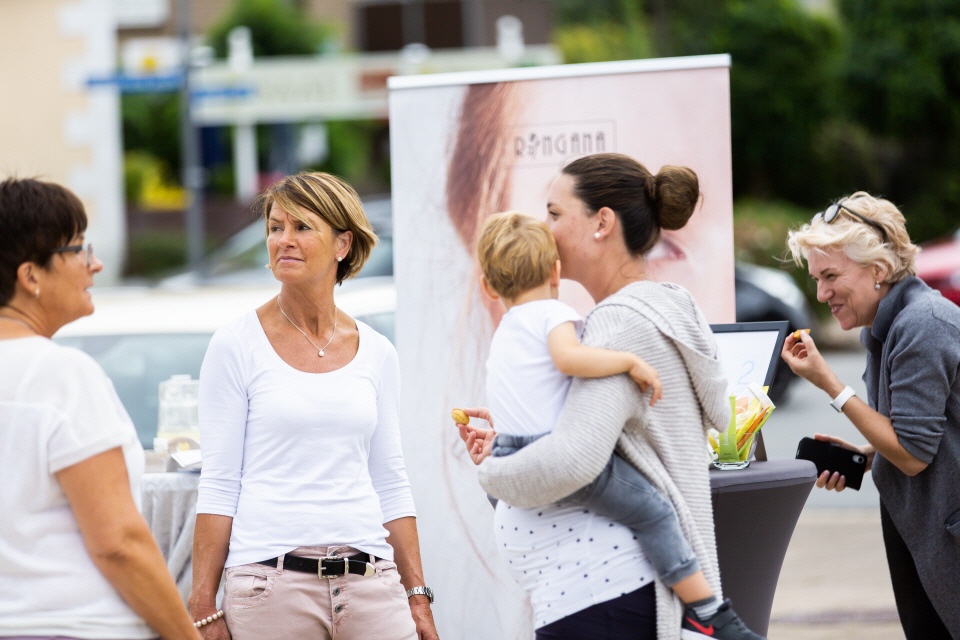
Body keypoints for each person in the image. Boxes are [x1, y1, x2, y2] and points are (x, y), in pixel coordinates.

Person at [456, 153, 759, 639]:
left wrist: (494, 470)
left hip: (604, 596)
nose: (545, 229)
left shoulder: (617, 326)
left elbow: (572, 462)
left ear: (602, 223)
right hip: (601, 595)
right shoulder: (651, 309)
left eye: (555, 213)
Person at [188, 172, 438, 640]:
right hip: (269, 586)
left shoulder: (378, 351)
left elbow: (390, 480)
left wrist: (417, 595)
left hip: (372, 582)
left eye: (302, 227)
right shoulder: (235, 344)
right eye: (275, 227)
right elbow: (220, 482)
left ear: (343, 244)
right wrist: (203, 603)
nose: (283, 240)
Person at [0, 177, 201, 639]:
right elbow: (118, 542)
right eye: (78, 249)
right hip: (73, 624)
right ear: (31, 276)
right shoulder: (60, 374)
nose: (95, 264)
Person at [780, 192, 960, 639]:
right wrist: (867, 454)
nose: (821, 293)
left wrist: (830, 384)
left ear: (878, 270)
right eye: (816, 278)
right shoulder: (885, 325)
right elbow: (921, 432)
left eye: (830, 276)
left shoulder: (924, 323)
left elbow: (914, 455)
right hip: (922, 533)